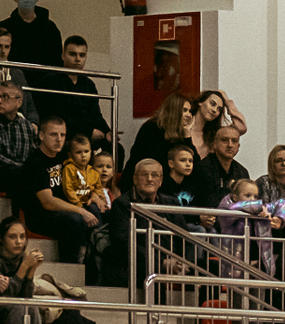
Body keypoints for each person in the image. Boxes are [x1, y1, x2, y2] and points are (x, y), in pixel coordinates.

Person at [16, 116, 93, 263]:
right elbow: (48, 202)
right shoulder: (34, 163)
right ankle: (70, 265)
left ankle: (92, 261)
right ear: (41, 135)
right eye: (53, 134)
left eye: (62, 135)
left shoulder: (63, 156)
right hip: (40, 217)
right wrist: (80, 210)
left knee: (95, 209)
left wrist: (93, 195)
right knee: (75, 219)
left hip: (62, 210)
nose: (59, 139)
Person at [93, 159, 173, 288]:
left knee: (207, 267)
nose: (150, 179)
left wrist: (184, 262)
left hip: (170, 259)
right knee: (149, 272)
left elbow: (185, 237)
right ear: (135, 179)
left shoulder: (171, 204)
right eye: (144, 175)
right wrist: (161, 262)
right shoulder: (122, 204)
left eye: (154, 175)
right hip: (140, 260)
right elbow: (123, 242)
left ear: (161, 180)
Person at [39, 37, 110, 151]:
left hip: (88, 135)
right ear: (63, 55)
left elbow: (96, 114)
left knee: (117, 149)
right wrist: (89, 131)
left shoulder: (88, 84)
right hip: (65, 135)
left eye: (82, 55)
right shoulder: (51, 81)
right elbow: (56, 116)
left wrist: (107, 131)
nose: (77, 59)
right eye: (73, 54)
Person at [0, 83, 37, 193]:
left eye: (5, 97)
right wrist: (24, 169)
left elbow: (33, 155)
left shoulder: (27, 126)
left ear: (19, 102)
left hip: (21, 176)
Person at [0, 0, 63, 76]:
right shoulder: (5, 27)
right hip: (13, 80)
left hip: (44, 82)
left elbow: (58, 61)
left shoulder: (50, 28)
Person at [128, 93, 195, 177]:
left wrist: (187, 135)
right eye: (185, 110)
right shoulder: (152, 127)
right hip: (145, 178)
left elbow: (194, 163)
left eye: (190, 111)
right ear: (174, 111)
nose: (189, 115)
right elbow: (157, 162)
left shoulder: (181, 131)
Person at [193, 126, 251, 209]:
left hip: (234, 216)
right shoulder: (202, 168)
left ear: (238, 147)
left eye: (234, 141)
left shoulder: (242, 172)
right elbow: (209, 202)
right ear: (214, 144)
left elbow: (246, 202)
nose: (230, 145)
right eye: (224, 140)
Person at [60, 134, 111, 220]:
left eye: (86, 151)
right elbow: (68, 189)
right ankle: (97, 227)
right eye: (78, 152)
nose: (83, 155)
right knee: (93, 209)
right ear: (70, 155)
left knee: (106, 211)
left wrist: (101, 200)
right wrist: (78, 205)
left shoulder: (93, 172)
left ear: (91, 152)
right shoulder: (69, 169)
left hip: (89, 202)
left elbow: (98, 189)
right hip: (75, 204)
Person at [189, 90, 247, 161]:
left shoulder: (215, 133)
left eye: (219, 109)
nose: (214, 110)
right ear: (200, 102)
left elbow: (241, 127)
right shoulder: (184, 126)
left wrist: (227, 101)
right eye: (212, 104)